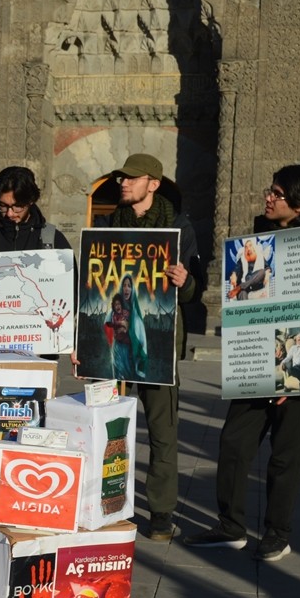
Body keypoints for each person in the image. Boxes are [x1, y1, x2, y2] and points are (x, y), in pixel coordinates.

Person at [186, 165, 300, 561]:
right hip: (257, 359)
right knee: (234, 442)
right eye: (270, 191)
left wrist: (287, 373)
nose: (268, 198)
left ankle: (277, 532)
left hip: (298, 363)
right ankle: (230, 526)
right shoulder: (259, 239)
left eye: (277, 193)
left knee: (285, 454)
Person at [91, 153, 200, 542]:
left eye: (133, 178)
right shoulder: (105, 225)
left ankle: (160, 514)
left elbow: (191, 292)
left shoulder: (178, 228)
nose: (124, 182)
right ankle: (103, 503)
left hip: (159, 345)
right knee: (105, 429)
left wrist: (184, 281)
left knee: (162, 432)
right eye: (122, 176)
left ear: (153, 183)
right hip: (113, 349)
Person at [0, 166, 73, 254]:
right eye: (3, 205)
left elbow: (70, 280)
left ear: (30, 201)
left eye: (17, 206)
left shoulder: (53, 240)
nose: (10, 214)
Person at [104, 275, 148, 380]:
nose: (126, 288)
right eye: (124, 285)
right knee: (118, 384)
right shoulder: (114, 311)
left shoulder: (135, 313)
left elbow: (140, 335)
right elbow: (107, 325)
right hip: (118, 349)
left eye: (129, 285)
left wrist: (129, 328)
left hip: (130, 351)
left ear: (132, 289)